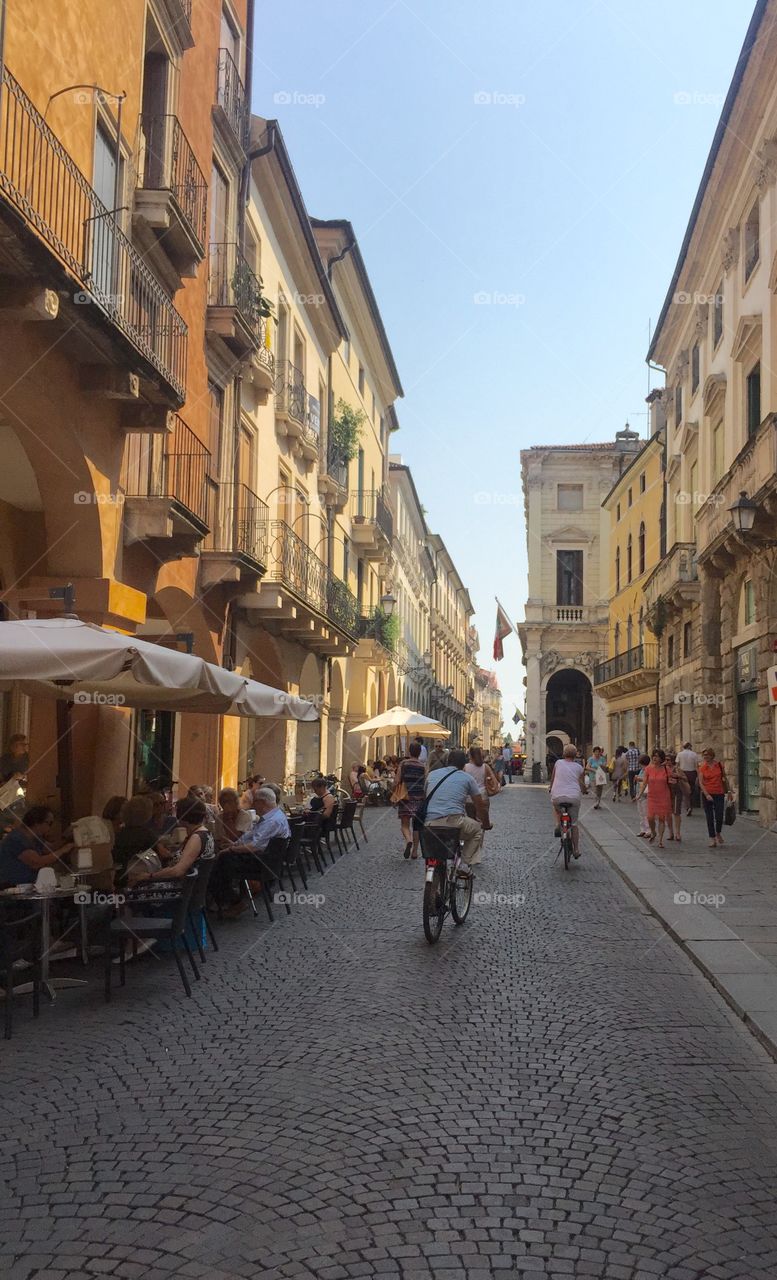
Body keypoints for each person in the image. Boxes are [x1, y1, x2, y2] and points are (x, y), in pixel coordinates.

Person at [213, 786, 291, 912]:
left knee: (221, 862)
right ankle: (226, 899)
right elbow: (249, 837)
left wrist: (231, 850)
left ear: (262, 803)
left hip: (261, 863)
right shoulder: (271, 818)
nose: (252, 805)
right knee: (220, 861)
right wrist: (234, 845)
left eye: (255, 802)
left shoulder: (272, 821)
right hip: (264, 859)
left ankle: (232, 901)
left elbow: (255, 846)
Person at [422, 748, 490, 871]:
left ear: (447, 761)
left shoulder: (432, 775)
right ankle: (464, 864)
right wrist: (486, 823)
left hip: (430, 823)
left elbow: (425, 795)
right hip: (454, 822)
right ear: (464, 764)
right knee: (477, 831)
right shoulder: (467, 778)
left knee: (435, 857)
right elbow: (480, 806)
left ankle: (434, 885)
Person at [135, 797, 214, 883]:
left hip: (176, 889)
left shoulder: (196, 838)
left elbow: (178, 871)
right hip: (182, 886)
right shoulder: (205, 833)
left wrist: (150, 876)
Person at [0, 805, 74, 887]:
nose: (50, 828)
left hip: (28, 884)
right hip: (13, 887)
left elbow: (49, 848)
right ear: (36, 822)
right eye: (49, 823)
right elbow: (37, 862)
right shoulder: (16, 839)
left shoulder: (35, 837)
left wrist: (65, 837)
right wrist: (63, 850)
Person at [114, 795, 164, 887]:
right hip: (141, 882)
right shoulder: (147, 835)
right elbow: (163, 854)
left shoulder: (118, 834)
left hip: (119, 879)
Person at [549, 745, 586, 857]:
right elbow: (582, 784)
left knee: (556, 808)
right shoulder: (579, 767)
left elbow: (553, 778)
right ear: (575, 755)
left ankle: (557, 824)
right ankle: (576, 850)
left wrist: (551, 787)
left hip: (558, 796)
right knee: (574, 824)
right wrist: (584, 790)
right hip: (574, 797)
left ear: (564, 754)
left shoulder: (558, 763)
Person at [635, 749, 673, 848]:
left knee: (661, 818)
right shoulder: (648, 769)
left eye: (657, 756)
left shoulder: (666, 769)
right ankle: (653, 832)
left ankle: (660, 840)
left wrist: (675, 780)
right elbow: (644, 783)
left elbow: (671, 780)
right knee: (650, 817)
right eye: (654, 756)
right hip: (652, 796)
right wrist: (639, 794)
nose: (655, 758)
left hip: (663, 796)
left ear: (661, 758)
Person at [395, 742, 426, 859]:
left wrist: (393, 792)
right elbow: (425, 782)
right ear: (419, 753)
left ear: (409, 751)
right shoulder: (423, 766)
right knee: (417, 826)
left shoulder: (403, 764)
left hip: (405, 798)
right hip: (418, 798)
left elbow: (397, 780)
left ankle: (408, 840)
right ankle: (415, 852)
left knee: (405, 825)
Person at [698, 748, 731, 848]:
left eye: (707, 755)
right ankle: (712, 838)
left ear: (712, 755)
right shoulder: (702, 768)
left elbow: (724, 778)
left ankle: (718, 832)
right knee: (709, 817)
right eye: (704, 755)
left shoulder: (719, 765)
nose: (705, 757)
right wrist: (706, 794)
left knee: (719, 815)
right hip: (707, 794)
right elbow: (701, 782)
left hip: (719, 793)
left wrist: (729, 791)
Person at [464, 747, 499, 826]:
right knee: (482, 823)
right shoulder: (485, 766)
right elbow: (494, 780)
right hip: (483, 796)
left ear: (470, 755)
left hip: (469, 798)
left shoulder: (465, 767)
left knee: (470, 822)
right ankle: (480, 837)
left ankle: (472, 837)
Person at [666, 750, 690, 842]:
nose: (666, 761)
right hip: (666, 793)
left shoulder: (677, 769)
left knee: (676, 813)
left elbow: (685, 778)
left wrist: (678, 776)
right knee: (667, 814)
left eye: (668, 759)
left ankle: (677, 833)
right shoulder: (664, 769)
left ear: (672, 760)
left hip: (676, 792)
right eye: (665, 759)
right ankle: (670, 832)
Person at [676, 742, 700, 815]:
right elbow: (696, 766)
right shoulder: (694, 754)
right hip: (692, 773)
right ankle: (690, 806)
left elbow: (677, 765)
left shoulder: (680, 754)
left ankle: (688, 807)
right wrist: (698, 775)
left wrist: (678, 773)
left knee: (685, 791)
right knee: (691, 790)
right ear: (690, 746)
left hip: (683, 773)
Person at [634, 753, 651, 837]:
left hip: (645, 793)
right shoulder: (641, 770)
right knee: (641, 812)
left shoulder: (648, 769)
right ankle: (643, 829)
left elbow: (648, 780)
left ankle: (648, 830)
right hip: (639, 792)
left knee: (646, 813)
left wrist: (639, 778)